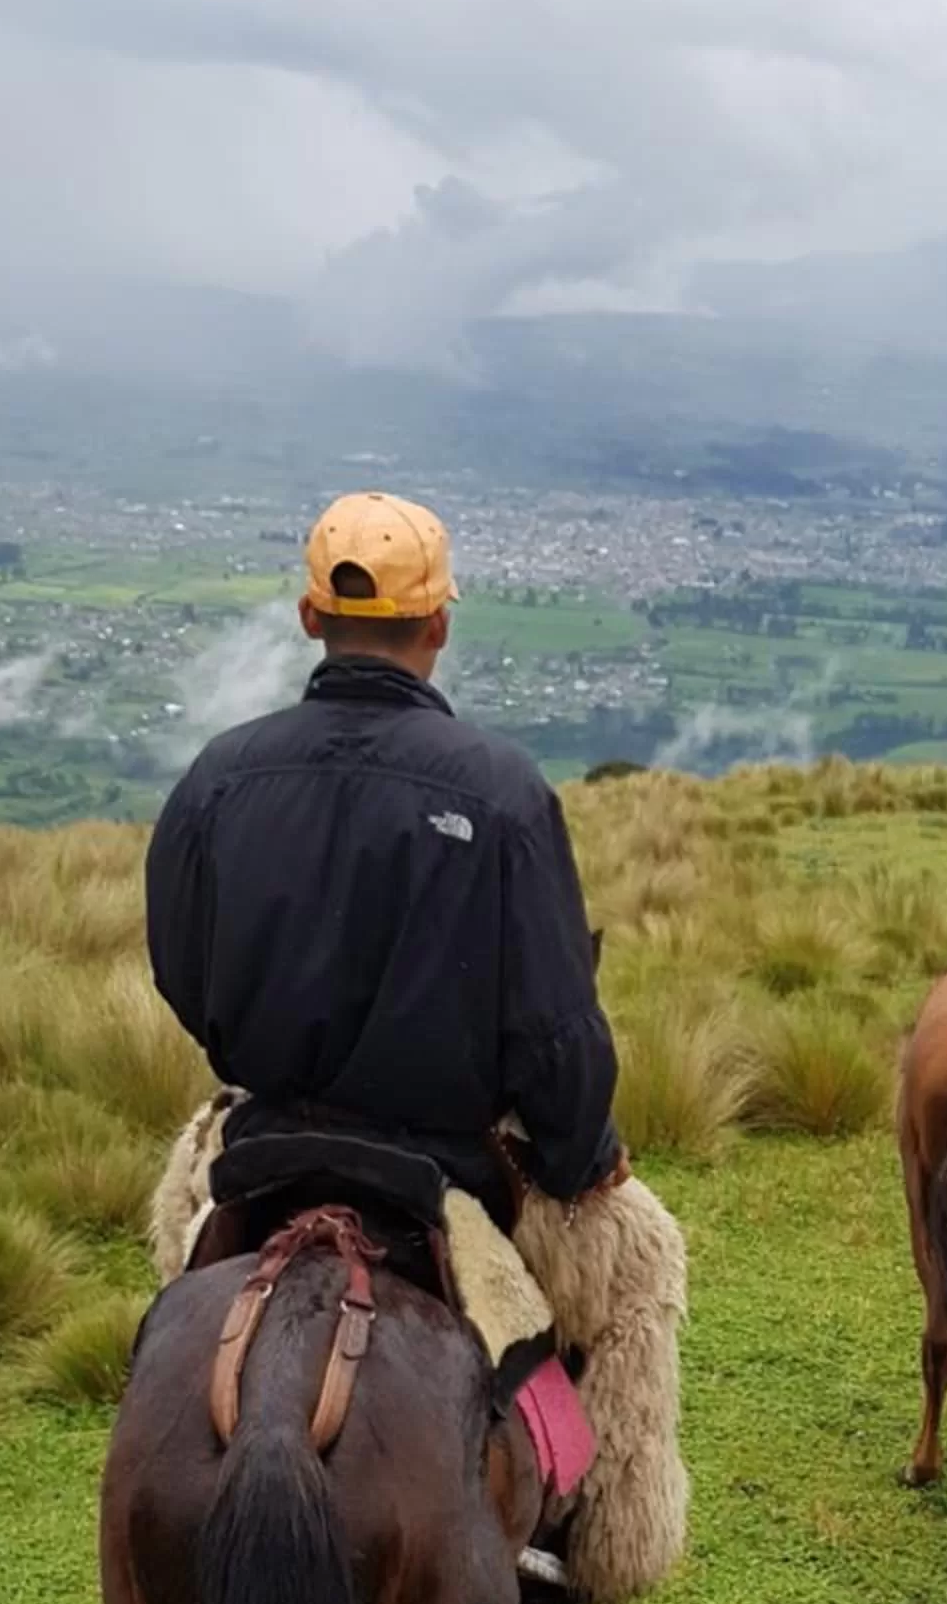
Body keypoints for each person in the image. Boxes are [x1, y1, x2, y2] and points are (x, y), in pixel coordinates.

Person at [146, 489, 625, 1227]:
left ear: (310, 618)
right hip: (450, 1169)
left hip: (265, 1144)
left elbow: (179, 972)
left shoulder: (219, 776)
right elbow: (555, 1029)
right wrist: (581, 1158)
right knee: (632, 1288)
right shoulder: (505, 793)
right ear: (438, 623)